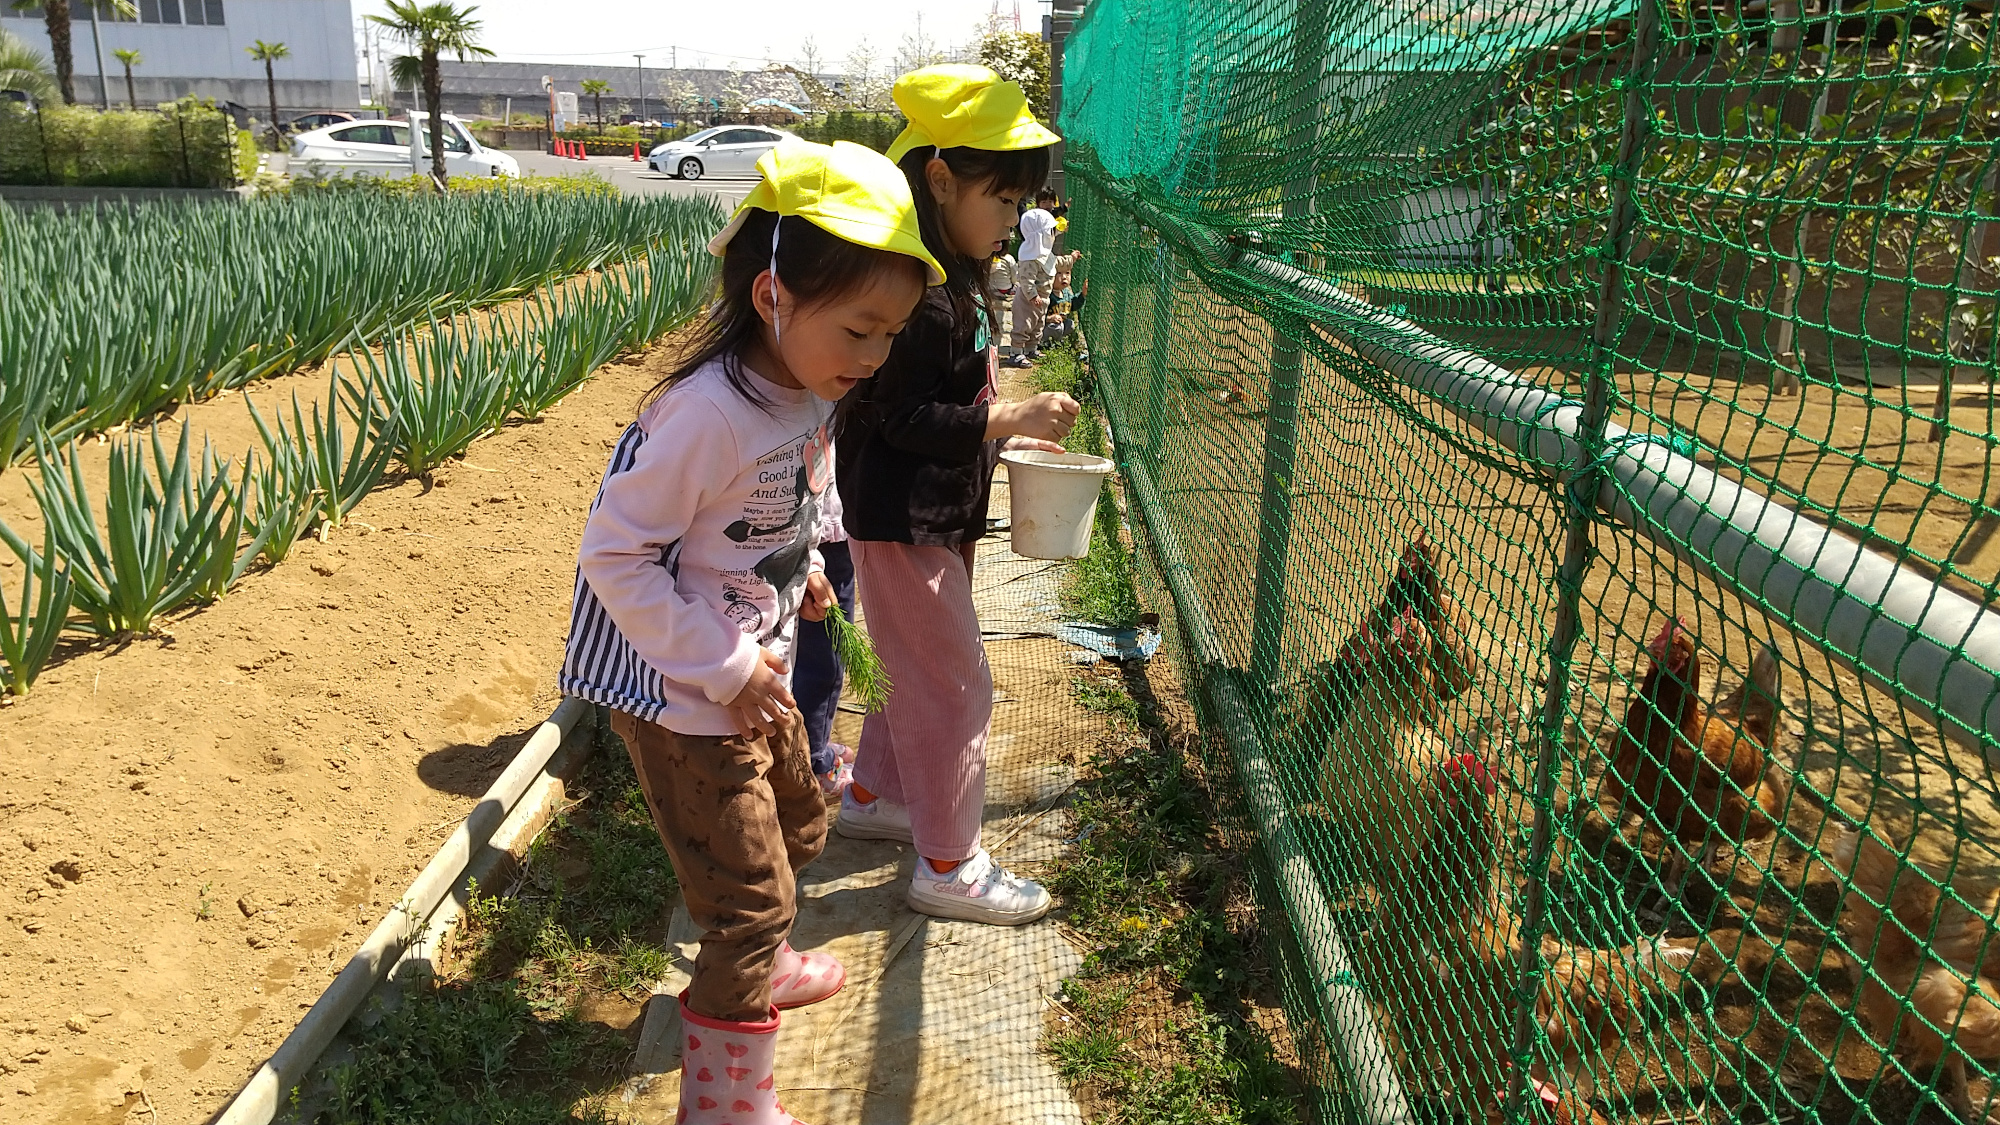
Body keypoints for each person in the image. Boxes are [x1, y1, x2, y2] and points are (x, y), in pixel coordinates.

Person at [560, 139, 944, 1125]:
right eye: (860, 328)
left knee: (801, 827)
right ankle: (723, 1103)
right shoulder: (704, 417)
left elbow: (779, 506)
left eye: (889, 334)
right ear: (774, 296)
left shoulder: (807, 391)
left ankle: (761, 967)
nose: (875, 357)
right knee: (745, 900)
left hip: (754, 668)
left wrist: (803, 570)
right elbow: (616, 559)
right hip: (688, 699)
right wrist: (726, 664)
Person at [836, 64, 1079, 926]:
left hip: (931, 513)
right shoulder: (921, 293)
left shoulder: (954, 274)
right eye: (1003, 200)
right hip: (902, 518)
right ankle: (948, 863)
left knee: (916, 670)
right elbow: (900, 414)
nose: (1014, 220)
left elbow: (949, 403)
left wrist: (1001, 427)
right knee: (955, 686)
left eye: (1021, 204)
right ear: (940, 179)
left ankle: (876, 796)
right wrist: (1004, 417)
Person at [1007, 186, 1060, 367]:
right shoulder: (1030, 256)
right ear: (1039, 234)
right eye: (1050, 232)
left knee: (1037, 326)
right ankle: (1016, 353)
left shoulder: (1043, 253)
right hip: (1028, 300)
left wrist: (1071, 259)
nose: (1053, 235)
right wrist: (1032, 295)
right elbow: (1026, 279)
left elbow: (1055, 263)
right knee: (1023, 325)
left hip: (1041, 299)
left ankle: (1031, 349)